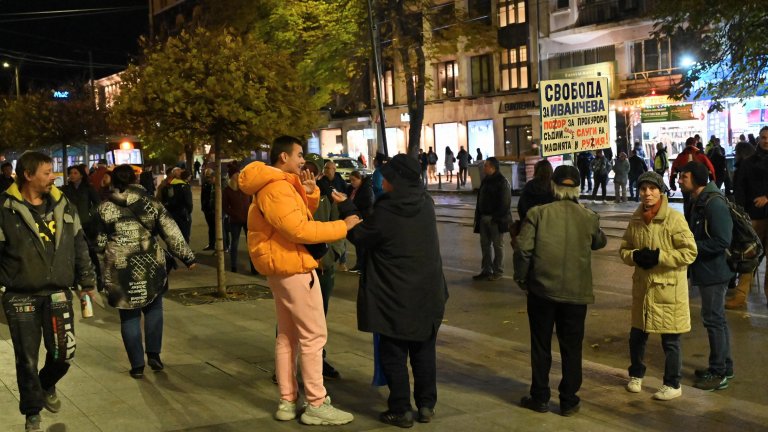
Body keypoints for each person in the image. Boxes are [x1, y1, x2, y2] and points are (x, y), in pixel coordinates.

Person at [239, 135, 359, 426]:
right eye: (299, 154)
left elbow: (291, 218)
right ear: (284, 157)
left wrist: (309, 192)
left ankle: (288, 400)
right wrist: (342, 226)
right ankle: (316, 403)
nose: (303, 160)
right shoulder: (277, 187)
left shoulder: (274, 185)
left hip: (282, 267)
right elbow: (298, 229)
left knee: (288, 336)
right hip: (293, 267)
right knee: (313, 336)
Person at [339, 153, 448, 428]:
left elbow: (363, 236)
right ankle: (426, 405)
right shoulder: (426, 204)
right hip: (427, 292)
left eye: (387, 178)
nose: (382, 182)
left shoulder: (388, 210)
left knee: (394, 352)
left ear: (396, 180)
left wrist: (348, 209)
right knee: (424, 350)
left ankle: (401, 409)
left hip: (394, 296)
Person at [0, 151, 97, 432]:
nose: (53, 176)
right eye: (46, 172)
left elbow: (79, 245)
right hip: (20, 295)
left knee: (64, 353)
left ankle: (46, 384)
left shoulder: (64, 204)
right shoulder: (5, 209)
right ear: (28, 175)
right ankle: (32, 413)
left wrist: (87, 283)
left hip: (58, 293)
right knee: (26, 359)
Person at [513, 165, 607, 417]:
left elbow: (523, 250)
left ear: (553, 186)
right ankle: (568, 400)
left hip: (542, 292)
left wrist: (522, 278)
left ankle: (540, 396)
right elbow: (600, 241)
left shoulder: (538, 214)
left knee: (541, 345)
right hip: (576, 295)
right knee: (572, 347)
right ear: (577, 188)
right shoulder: (588, 216)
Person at [94, 164, 196, 379]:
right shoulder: (151, 203)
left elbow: (100, 241)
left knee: (128, 316)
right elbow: (170, 230)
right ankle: (154, 355)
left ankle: (137, 365)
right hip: (150, 262)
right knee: (153, 308)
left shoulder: (105, 207)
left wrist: (102, 264)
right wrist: (187, 257)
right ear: (135, 180)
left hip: (120, 267)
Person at [619, 171, 697, 401]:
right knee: (637, 336)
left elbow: (690, 252)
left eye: (652, 189)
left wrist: (659, 257)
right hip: (643, 288)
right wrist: (635, 256)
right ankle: (636, 375)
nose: (647, 193)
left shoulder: (674, 218)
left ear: (660, 191)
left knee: (670, 339)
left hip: (668, 290)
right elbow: (624, 249)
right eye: (643, 189)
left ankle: (673, 383)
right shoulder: (635, 219)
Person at [678, 161, 735, 391]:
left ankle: (718, 371)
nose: (680, 180)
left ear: (697, 179)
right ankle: (724, 366)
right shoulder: (699, 200)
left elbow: (722, 240)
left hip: (715, 271)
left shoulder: (713, 203)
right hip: (707, 270)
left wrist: (691, 247)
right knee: (716, 320)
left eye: (684, 176)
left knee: (714, 321)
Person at [303, 153, 346, 379]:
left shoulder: (326, 196)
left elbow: (338, 226)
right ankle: (287, 365)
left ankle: (319, 359)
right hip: (299, 267)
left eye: (313, 168)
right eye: (304, 166)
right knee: (290, 319)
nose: (307, 172)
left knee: (320, 317)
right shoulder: (288, 192)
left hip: (324, 267)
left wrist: (333, 255)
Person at [728, 139, 758, 309]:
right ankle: (741, 292)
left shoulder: (742, 168)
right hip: (753, 215)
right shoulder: (749, 166)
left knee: (747, 255)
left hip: (749, 216)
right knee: (750, 255)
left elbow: (739, 193)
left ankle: (740, 293)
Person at [473, 157, 511, 281]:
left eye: (486, 166)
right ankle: (486, 270)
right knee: (485, 245)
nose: (484, 168)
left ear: (492, 167)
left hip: (495, 220)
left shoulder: (502, 181)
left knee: (497, 245)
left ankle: (498, 271)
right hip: (483, 218)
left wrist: (495, 218)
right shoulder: (486, 181)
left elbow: (505, 204)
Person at [670, 137, 716, 218]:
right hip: (699, 186)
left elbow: (674, 170)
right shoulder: (701, 155)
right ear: (695, 144)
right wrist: (713, 181)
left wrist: (672, 183)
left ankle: (688, 222)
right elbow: (711, 169)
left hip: (685, 185)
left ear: (686, 144)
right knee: (700, 203)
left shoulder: (681, 156)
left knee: (687, 203)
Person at [317, 161, 349, 271]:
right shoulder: (321, 181)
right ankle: (325, 261)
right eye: (325, 168)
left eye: (328, 168)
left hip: (338, 213)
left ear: (334, 170)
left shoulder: (340, 181)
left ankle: (342, 262)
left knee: (340, 238)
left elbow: (346, 194)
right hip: (326, 213)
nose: (326, 170)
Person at [223, 165, 251, 273]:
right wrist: (234, 214)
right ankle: (233, 266)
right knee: (234, 243)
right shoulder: (228, 190)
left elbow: (251, 201)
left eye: (238, 173)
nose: (238, 175)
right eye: (236, 173)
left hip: (247, 220)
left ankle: (254, 266)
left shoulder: (245, 187)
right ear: (231, 176)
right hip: (235, 221)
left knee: (251, 244)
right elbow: (225, 207)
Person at [346, 171, 374, 272]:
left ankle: (362, 265)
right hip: (354, 219)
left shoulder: (366, 189)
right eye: (350, 180)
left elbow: (367, 203)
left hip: (363, 219)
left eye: (354, 180)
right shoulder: (351, 189)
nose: (352, 182)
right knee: (358, 244)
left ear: (360, 179)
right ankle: (360, 264)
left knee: (362, 244)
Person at [160, 169, 193, 243]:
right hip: (183, 214)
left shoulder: (169, 186)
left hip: (172, 214)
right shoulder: (185, 186)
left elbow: (164, 199)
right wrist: (189, 211)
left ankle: (175, 253)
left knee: (174, 236)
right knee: (184, 234)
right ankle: (184, 253)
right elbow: (189, 203)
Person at [200, 169, 216, 251]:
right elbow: (202, 197)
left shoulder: (216, 184)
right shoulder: (205, 184)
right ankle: (211, 244)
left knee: (218, 228)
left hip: (215, 210)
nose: (207, 178)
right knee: (211, 228)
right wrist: (203, 207)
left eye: (209, 176)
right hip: (207, 209)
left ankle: (221, 246)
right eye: (206, 176)